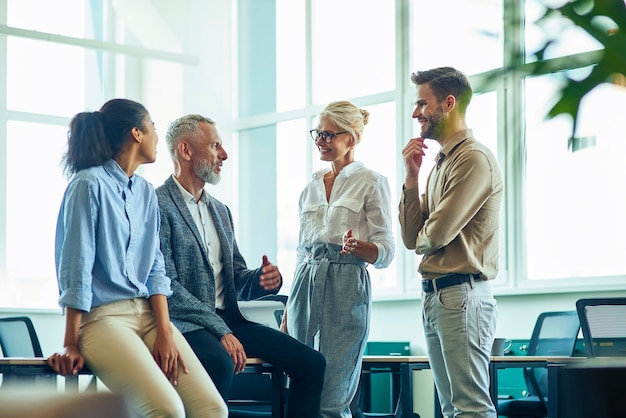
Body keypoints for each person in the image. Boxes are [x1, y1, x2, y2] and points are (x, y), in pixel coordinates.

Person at [48, 99, 228, 418]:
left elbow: (156, 269)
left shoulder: (144, 191)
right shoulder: (88, 185)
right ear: (137, 134)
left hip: (148, 315)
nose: (157, 137)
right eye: (153, 128)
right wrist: (70, 343)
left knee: (212, 409)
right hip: (103, 319)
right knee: (166, 409)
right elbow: (76, 270)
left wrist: (165, 331)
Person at [155, 114, 326, 418]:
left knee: (312, 363)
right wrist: (220, 330)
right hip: (189, 323)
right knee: (219, 361)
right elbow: (166, 285)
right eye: (215, 146)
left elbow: (235, 276)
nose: (224, 155)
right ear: (185, 150)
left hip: (230, 319)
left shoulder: (221, 211)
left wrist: (261, 280)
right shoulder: (157, 204)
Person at [399, 67, 503, 418]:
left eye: (421, 104)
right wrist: (412, 179)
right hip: (436, 296)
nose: (416, 113)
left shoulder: (473, 159)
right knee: (451, 409)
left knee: (470, 409)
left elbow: (436, 235)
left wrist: (427, 233)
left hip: (462, 295)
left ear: (448, 103)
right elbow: (413, 235)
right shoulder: (439, 164)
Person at [282, 101, 395, 418]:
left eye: (329, 134)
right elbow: (301, 253)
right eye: (318, 133)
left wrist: (358, 247)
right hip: (306, 286)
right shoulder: (309, 189)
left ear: (353, 137)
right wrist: (289, 310)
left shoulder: (372, 182)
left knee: (333, 395)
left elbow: (386, 250)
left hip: (346, 285)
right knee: (301, 388)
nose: (321, 140)